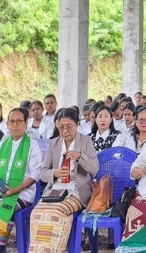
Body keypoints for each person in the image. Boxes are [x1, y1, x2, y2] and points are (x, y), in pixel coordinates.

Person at [29, 108, 99, 252]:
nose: (65, 131)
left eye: (69, 127)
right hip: (55, 189)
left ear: (77, 124)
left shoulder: (85, 141)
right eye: (61, 127)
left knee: (57, 213)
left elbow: (94, 169)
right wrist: (55, 172)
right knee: (37, 212)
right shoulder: (54, 143)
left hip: (77, 190)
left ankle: (55, 249)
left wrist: (80, 156)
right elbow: (43, 172)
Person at [0, 108, 42, 252]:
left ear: (26, 123)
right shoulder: (2, 145)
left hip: (22, 193)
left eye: (19, 121)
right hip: (0, 192)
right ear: (7, 124)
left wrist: (15, 190)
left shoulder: (33, 145)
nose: (15, 125)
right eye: (12, 121)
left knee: (0, 210)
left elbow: (36, 174)